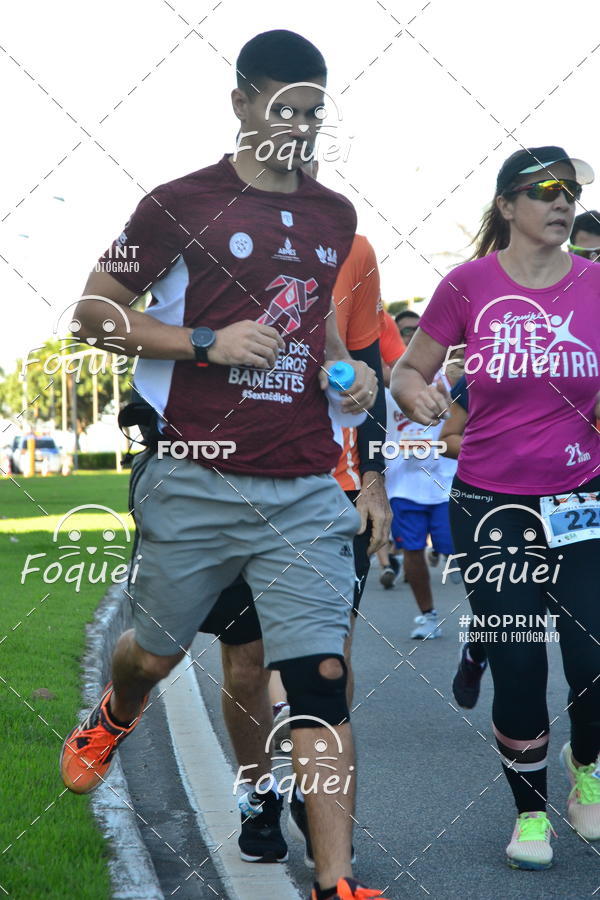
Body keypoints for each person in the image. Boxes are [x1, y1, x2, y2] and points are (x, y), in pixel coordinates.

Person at [59, 29, 388, 900]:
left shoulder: (333, 217)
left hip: (306, 486)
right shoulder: (176, 204)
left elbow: (315, 323)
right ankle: (114, 716)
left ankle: (334, 882)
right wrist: (205, 342)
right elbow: (92, 311)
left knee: (321, 683)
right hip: (195, 478)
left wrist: (340, 375)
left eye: (314, 113)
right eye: (285, 109)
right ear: (242, 102)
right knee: (154, 658)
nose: (300, 128)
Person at [392, 145, 600, 872]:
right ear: (507, 206)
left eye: (570, 190)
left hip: (581, 500)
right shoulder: (467, 285)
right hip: (489, 503)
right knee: (517, 663)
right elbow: (411, 367)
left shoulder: (598, 286)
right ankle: (530, 815)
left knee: (593, 654)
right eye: (544, 190)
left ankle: (589, 764)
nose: (561, 200)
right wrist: (416, 393)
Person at [198, 227, 393, 870]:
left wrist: (373, 480)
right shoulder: (215, 234)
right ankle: (259, 791)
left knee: (327, 660)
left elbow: (369, 372)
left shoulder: (352, 249)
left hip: (329, 490)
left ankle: (321, 803)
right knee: (247, 666)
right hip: (236, 489)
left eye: (312, 122)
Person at [383, 310, 457, 638]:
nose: (412, 335)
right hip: (404, 485)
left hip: (446, 484)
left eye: (418, 329)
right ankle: (428, 617)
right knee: (412, 550)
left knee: (465, 553)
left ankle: (488, 619)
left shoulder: (450, 380)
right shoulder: (388, 388)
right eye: (405, 331)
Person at [440, 376, 488, 707]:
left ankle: (585, 734)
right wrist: (506, 450)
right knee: (509, 608)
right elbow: (448, 439)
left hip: (579, 499)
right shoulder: (485, 365)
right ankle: (476, 654)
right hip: (499, 499)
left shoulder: (587, 357)